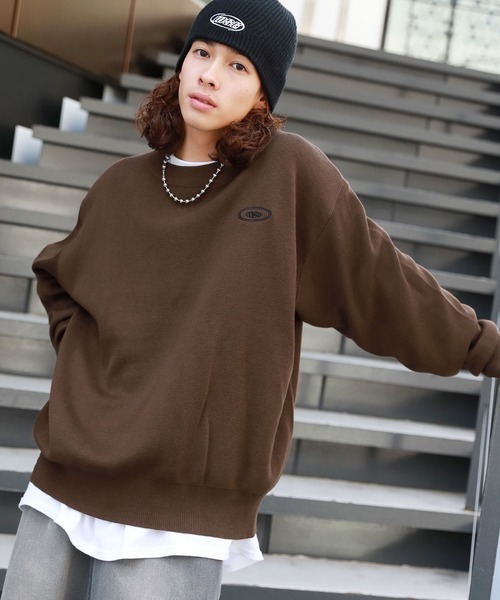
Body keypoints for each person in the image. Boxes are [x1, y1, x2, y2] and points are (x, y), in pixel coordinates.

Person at [2, 0, 500, 598]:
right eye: (202, 53)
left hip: (180, 512)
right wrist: (86, 374)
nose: (210, 75)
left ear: (265, 94)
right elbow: (57, 275)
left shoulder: (289, 174)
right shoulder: (120, 186)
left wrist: (483, 347)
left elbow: (381, 282)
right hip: (62, 487)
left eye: (239, 66)